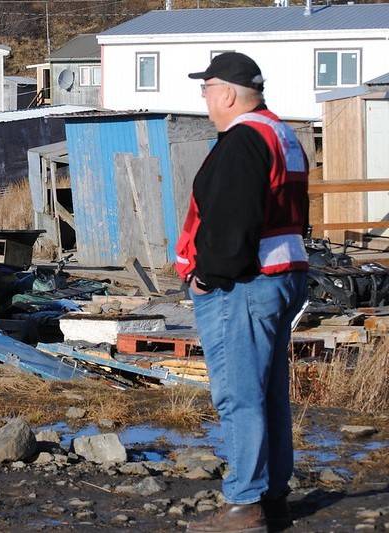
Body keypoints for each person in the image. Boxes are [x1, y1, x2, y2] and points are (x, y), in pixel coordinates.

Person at [175, 52, 309, 533]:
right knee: (267, 393)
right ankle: (272, 497)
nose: (205, 99)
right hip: (279, 275)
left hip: (244, 284)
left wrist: (210, 275)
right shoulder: (281, 133)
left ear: (227, 93)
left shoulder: (242, 141)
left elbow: (232, 219)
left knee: (238, 395)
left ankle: (243, 504)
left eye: (207, 89)